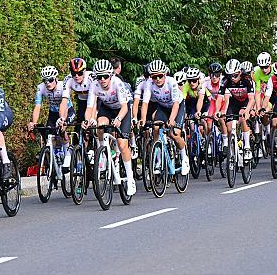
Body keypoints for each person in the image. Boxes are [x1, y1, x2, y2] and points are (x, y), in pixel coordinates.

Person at [83, 59, 136, 195]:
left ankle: (130, 178)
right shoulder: (94, 85)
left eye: (105, 76)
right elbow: (90, 107)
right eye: (99, 77)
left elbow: (125, 107)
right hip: (107, 109)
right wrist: (87, 120)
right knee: (100, 125)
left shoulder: (117, 83)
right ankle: (103, 152)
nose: (102, 80)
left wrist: (118, 119)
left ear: (111, 75)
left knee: (122, 144)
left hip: (122, 110)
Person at [139, 59, 190, 175]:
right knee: (156, 128)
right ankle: (158, 160)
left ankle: (184, 158)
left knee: (174, 133)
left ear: (165, 74)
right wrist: (142, 119)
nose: (157, 79)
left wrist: (171, 119)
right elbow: (145, 103)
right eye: (154, 77)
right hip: (162, 107)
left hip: (177, 106)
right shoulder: (149, 84)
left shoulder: (171, 82)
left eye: (160, 76)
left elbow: (176, 104)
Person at [219, 59, 256, 159]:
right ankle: (232, 149)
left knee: (243, 116)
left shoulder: (247, 79)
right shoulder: (225, 80)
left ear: (240, 72)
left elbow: (252, 99)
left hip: (246, 101)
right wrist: (218, 111)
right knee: (229, 127)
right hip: (234, 102)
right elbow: (220, 97)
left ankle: (247, 147)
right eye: (230, 75)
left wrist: (248, 111)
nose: (232, 78)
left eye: (235, 75)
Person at [28, 66, 75, 138]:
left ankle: (66, 147)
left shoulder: (63, 86)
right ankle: (50, 148)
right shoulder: (41, 88)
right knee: (49, 134)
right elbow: (37, 106)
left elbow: (64, 104)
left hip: (67, 111)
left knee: (61, 130)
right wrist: (34, 123)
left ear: (56, 79)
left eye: (50, 80)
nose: (48, 83)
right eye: (45, 80)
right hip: (53, 113)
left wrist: (62, 119)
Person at [59, 57, 91, 131]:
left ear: (85, 71)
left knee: (93, 121)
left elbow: (94, 100)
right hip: (82, 100)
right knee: (80, 122)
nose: (76, 76)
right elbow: (64, 101)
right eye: (73, 73)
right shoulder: (68, 79)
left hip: (95, 99)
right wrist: (62, 118)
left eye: (79, 73)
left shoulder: (91, 77)